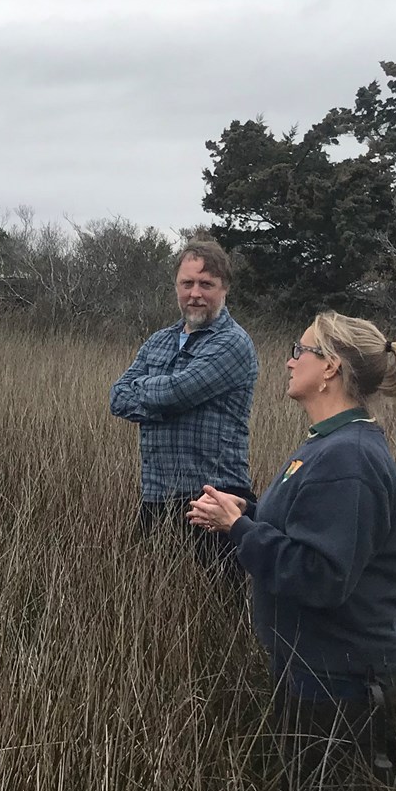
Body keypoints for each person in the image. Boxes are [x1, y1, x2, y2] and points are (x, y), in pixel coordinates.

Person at [187, 311, 396, 791]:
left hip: (340, 685)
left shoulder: (348, 458)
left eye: (302, 349)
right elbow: (307, 534)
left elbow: (320, 576)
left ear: (330, 367)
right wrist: (245, 513)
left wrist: (239, 529)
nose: (290, 359)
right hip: (314, 674)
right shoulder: (329, 444)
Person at [109, 240, 259, 581]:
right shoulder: (159, 340)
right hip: (156, 497)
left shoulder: (232, 343)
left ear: (225, 289)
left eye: (206, 285)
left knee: (214, 613)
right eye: (187, 283)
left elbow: (176, 393)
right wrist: (164, 397)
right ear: (176, 286)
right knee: (153, 610)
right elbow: (117, 397)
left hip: (214, 502)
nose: (195, 294)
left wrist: (154, 396)